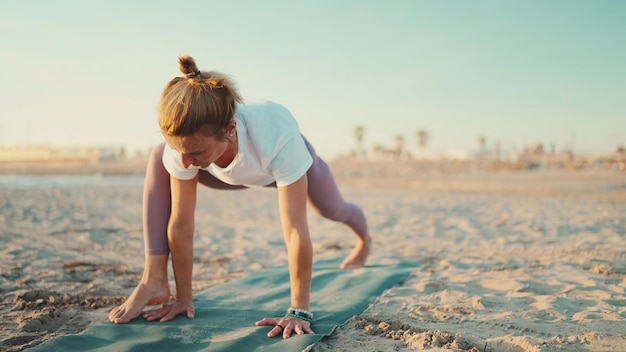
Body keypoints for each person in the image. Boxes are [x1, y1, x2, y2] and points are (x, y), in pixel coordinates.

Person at [108, 55, 371, 339]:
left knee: (334, 210)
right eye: (180, 151)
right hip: (220, 171)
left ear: (230, 130)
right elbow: (181, 224)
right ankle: (155, 278)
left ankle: (364, 240)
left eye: (194, 152)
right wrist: (184, 298)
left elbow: (295, 231)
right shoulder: (185, 148)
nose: (184, 162)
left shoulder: (277, 137)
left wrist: (299, 310)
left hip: (273, 166)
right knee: (159, 156)